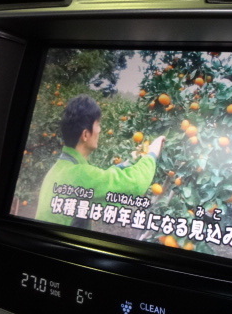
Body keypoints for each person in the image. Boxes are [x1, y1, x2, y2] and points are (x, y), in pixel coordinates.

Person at [36, 94, 165, 227]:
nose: (100, 130)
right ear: (85, 134)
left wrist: (130, 162)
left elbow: (103, 180)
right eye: (98, 124)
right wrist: (152, 154)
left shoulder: (61, 169)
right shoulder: (79, 174)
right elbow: (135, 183)